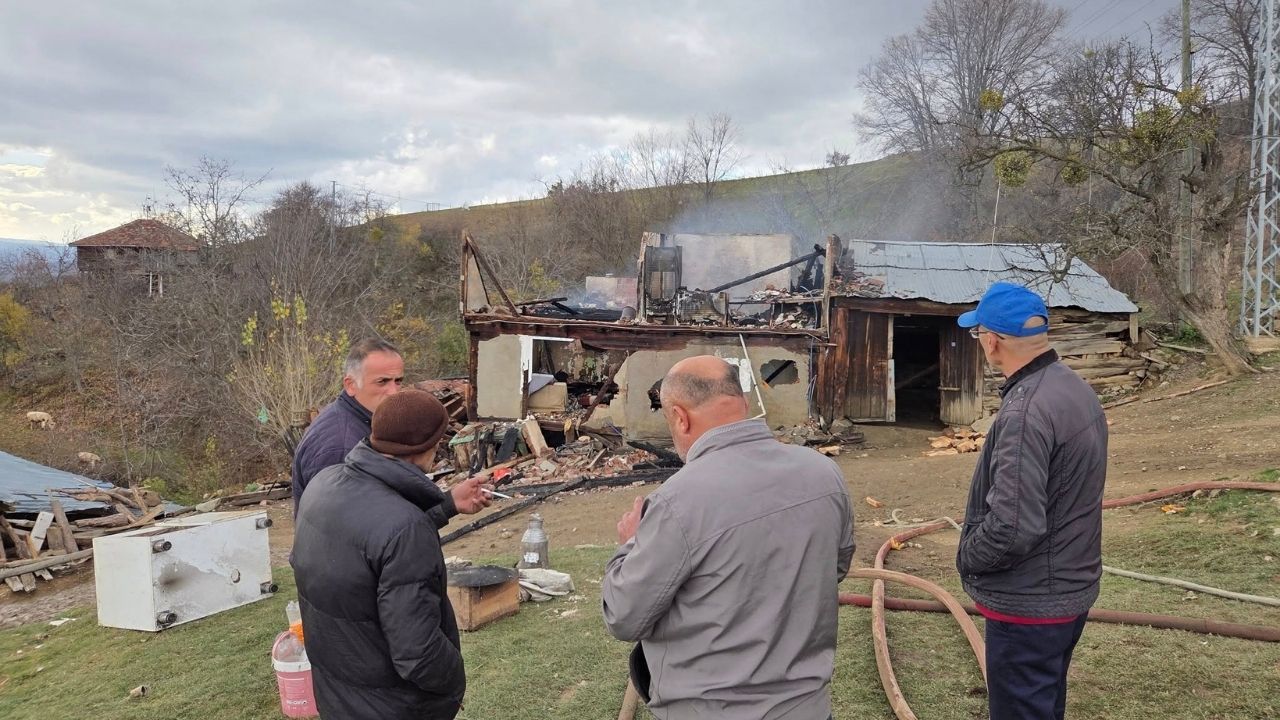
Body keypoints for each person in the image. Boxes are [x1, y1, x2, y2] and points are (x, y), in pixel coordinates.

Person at [601, 356, 855, 719]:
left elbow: (623, 617)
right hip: (807, 708)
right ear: (743, 405)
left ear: (679, 417)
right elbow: (835, 566)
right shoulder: (825, 473)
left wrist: (630, 545)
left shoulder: (677, 501)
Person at [955, 282, 1107, 720]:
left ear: (991, 341)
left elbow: (1013, 525)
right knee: (1042, 704)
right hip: (1068, 591)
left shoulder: (1026, 410)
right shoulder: (1073, 388)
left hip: (1031, 601)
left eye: (978, 334)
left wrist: (969, 556)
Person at [291, 389, 492, 720]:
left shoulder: (325, 483)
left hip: (338, 696)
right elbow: (418, 653)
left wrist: (447, 505)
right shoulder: (404, 528)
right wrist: (454, 678)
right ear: (430, 446)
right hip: (394, 707)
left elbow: (371, 547)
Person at [291, 337, 406, 511]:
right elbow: (341, 528)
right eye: (382, 381)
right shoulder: (341, 446)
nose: (393, 392)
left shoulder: (358, 420)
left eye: (398, 381)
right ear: (351, 385)